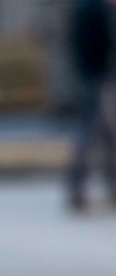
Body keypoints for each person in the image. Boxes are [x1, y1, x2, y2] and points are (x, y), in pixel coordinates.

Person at [66, 0, 116, 211]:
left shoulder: (85, 8)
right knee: (96, 133)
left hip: (92, 77)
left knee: (103, 133)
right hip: (98, 79)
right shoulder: (96, 9)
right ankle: (79, 188)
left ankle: (84, 187)